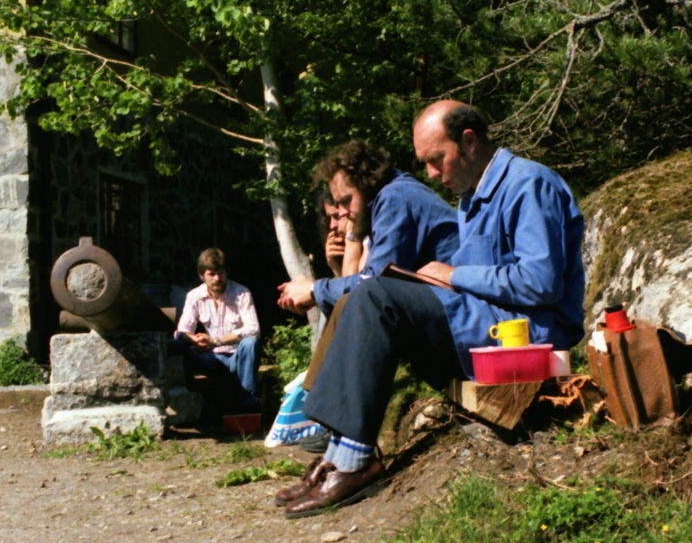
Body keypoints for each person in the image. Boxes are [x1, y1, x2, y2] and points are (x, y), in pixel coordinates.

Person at [275, 101, 586, 517]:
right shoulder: (471, 199)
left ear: (470, 141)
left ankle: (355, 461)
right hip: (486, 325)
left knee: (373, 294)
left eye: (437, 160)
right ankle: (339, 451)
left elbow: (540, 282)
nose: (432, 175)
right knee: (367, 295)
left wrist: (454, 276)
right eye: (425, 163)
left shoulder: (528, 184)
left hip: (527, 334)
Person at [278, 139, 458, 317]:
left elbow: (374, 284)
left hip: (457, 311)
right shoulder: (394, 195)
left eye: (346, 201)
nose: (342, 213)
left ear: (368, 183)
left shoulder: (395, 197)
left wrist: (313, 289)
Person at [173, 248, 262, 409]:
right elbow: (181, 331)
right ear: (202, 275)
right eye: (211, 274)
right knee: (176, 344)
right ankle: (190, 402)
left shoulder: (241, 293)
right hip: (209, 358)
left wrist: (216, 341)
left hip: (236, 357)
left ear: (226, 273)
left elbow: (253, 329)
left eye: (220, 273)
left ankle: (249, 405)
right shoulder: (194, 296)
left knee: (250, 343)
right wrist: (196, 340)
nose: (217, 278)